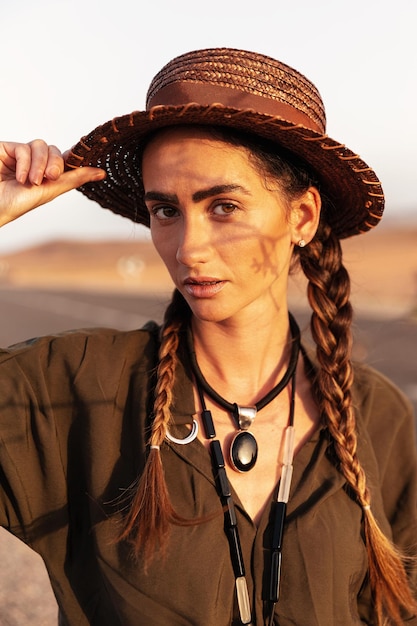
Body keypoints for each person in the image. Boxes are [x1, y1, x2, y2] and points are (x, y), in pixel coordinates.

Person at [0, 47, 416, 626]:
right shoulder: (73, 385)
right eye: (165, 210)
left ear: (301, 217)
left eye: (223, 206)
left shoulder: (380, 421)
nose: (188, 248)